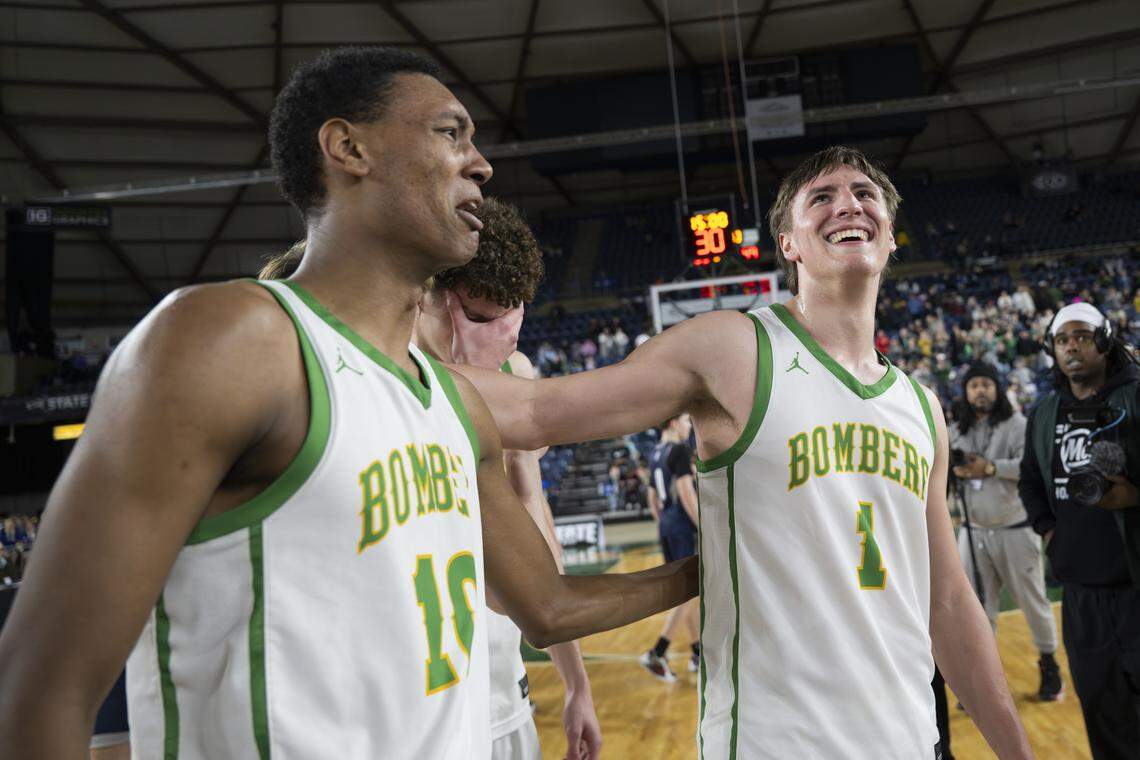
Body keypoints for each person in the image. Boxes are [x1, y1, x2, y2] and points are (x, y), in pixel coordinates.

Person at [0, 46, 697, 759]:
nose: (481, 163)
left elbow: (547, 609)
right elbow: (40, 685)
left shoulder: (455, 403)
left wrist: (702, 571)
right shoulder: (226, 341)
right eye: (450, 133)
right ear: (347, 147)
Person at [447, 146, 1034, 759]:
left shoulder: (922, 409)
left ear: (890, 237)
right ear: (789, 244)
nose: (848, 204)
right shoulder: (734, 348)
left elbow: (947, 598)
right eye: (822, 197)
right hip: (774, 744)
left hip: (912, 740)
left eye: (864, 193)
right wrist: (384, 350)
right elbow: (537, 412)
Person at [261, 198, 604, 760]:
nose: (505, 337)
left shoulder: (507, 379)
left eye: (511, 317)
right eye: (483, 317)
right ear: (426, 296)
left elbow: (541, 558)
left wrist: (577, 685)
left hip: (499, 684)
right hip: (393, 704)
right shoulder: (360, 380)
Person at [1019, 301, 1140, 760]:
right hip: (1081, 595)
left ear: (1105, 342)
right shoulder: (1044, 413)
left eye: (1082, 337)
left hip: (1135, 586)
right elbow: (1031, 483)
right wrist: (1051, 531)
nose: (1071, 347)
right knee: (1103, 714)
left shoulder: (1135, 395)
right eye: (1063, 340)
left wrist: (1134, 498)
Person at [949, 362, 1062, 700]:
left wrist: (992, 467)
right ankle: (983, 683)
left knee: (1034, 602)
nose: (979, 390)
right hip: (972, 531)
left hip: (1015, 529)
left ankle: (1049, 664)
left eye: (985, 384)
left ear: (996, 389)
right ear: (966, 393)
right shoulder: (956, 429)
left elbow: (1033, 466)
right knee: (977, 612)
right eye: (973, 386)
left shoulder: (1018, 425)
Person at [639, 413, 700, 683]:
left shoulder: (655, 453)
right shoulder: (679, 450)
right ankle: (658, 651)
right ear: (674, 423)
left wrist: (663, 521)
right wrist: (703, 525)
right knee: (689, 593)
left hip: (666, 524)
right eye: (687, 420)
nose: (690, 425)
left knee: (688, 593)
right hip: (682, 525)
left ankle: (698, 652)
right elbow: (686, 493)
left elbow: (651, 496)